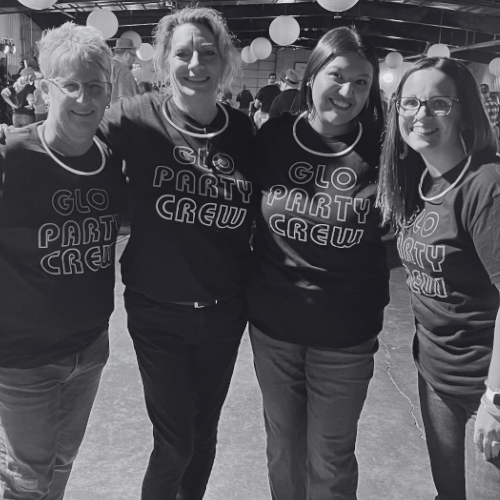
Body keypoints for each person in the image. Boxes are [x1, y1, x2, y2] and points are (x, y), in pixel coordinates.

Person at [98, 7, 255, 500]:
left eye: (208, 53)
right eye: (183, 53)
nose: (196, 64)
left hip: (224, 313)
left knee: (203, 436)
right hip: (156, 311)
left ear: (224, 60)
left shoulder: (245, 133)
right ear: (164, 62)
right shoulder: (135, 118)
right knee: (175, 443)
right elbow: (68, 140)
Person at [247, 26, 389, 499]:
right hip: (273, 330)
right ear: (311, 78)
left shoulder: (384, 149)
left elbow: (399, 234)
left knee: (329, 458)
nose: (348, 92)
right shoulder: (273, 137)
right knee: (283, 450)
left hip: (345, 338)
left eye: (362, 82)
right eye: (338, 76)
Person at [0, 22, 125, 500]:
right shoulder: (12, 155)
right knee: (26, 479)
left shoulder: (110, 160)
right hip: (24, 359)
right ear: (44, 87)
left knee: (59, 465)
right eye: (69, 85)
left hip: (89, 349)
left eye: (95, 87)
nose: (83, 99)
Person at [377, 56, 500, 499]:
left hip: (482, 390)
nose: (421, 115)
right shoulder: (422, 183)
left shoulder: (486, 184)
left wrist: (496, 400)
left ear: (464, 110)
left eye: (438, 104)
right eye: (409, 103)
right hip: (437, 379)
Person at [109, 37, 139, 106]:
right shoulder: (124, 72)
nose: (134, 59)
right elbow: (127, 103)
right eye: (133, 55)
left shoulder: (105, 67)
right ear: (127, 55)